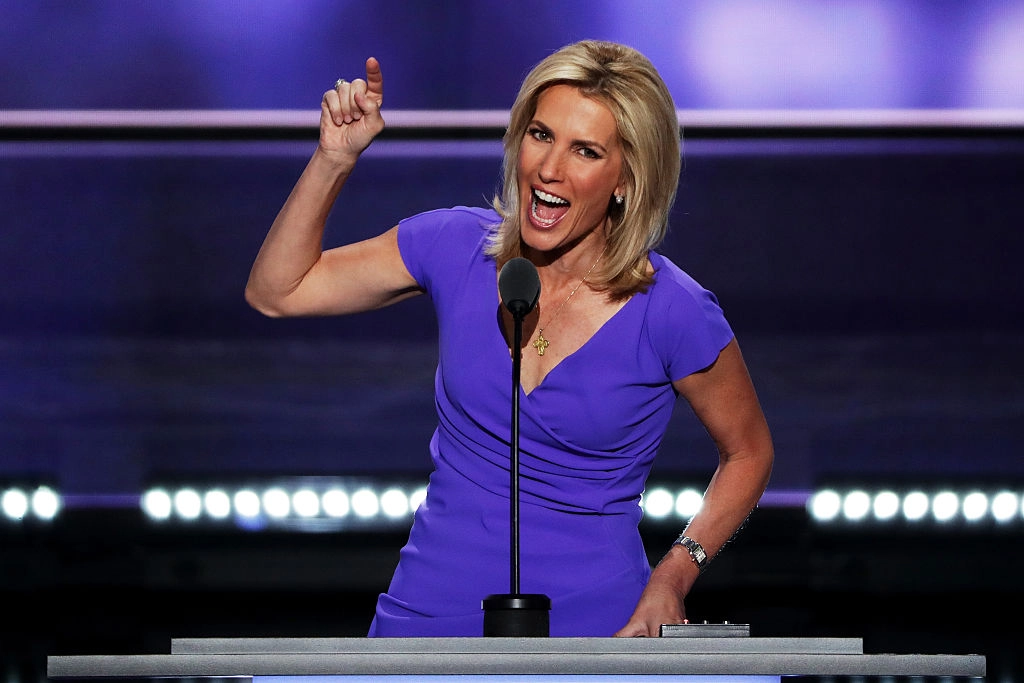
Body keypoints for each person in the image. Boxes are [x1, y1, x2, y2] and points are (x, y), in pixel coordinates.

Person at [245, 39, 774, 638]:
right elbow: (278, 291)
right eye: (541, 135)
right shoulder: (453, 247)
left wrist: (675, 574)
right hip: (428, 617)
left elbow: (749, 453)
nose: (550, 169)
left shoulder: (674, 309)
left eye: (585, 150)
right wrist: (333, 158)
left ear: (626, 179)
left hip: (598, 627)